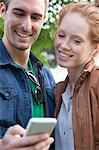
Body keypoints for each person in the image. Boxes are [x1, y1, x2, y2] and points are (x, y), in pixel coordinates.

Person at [0, 0, 55, 149]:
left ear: (43, 19)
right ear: (2, 11)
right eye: (19, 13)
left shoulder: (47, 77)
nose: (27, 26)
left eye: (36, 17)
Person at [54, 2, 99, 150]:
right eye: (61, 35)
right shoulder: (58, 91)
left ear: (94, 47)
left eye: (76, 41)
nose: (64, 45)